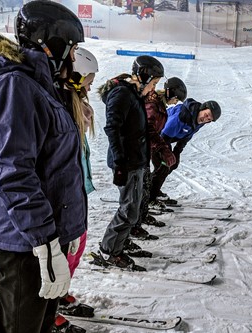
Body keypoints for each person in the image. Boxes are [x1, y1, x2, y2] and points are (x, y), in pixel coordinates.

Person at [0, 1, 87, 333]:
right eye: (72, 48)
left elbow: (59, 167)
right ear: (52, 43)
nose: (73, 58)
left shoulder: (44, 87)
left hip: (47, 239)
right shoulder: (15, 86)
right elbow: (14, 174)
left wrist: (68, 229)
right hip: (26, 246)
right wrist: (44, 241)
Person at [93, 55, 164, 271]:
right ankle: (108, 251)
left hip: (137, 161)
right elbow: (112, 128)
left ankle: (119, 244)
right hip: (127, 162)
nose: (154, 88)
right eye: (153, 82)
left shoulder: (133, 94)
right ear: (144, 76)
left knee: (133, 207)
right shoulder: (122, 94)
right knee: (129, 210)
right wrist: (120, 162)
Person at [53, 47, 99, 331]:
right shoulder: (61, 105)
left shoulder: (77, 103)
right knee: (59, 252)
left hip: (77, 189)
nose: (91, 84)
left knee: (77, 246)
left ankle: (58, 292)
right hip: (62, 193)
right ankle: (45, 306)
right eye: (89, 78)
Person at [123, 77, 188, 258]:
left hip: (143, 151)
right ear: (170, 93)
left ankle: (140, 219)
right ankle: (132, 227)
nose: (175, 103)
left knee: (144, 189)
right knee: (136, 193)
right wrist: (163, 149)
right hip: (138, 152)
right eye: (176, 99)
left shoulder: (158, 104)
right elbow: (149, 131)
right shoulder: (153, 105)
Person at [149, 99, 221, 206]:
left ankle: (151, 190)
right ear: (203, 108)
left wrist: (177, 152)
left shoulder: (198, 121)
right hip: (154, 137)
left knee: (170, 165)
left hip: (162, 139)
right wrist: (168, 154)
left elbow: (186, 137)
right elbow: (164, 135)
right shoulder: (183, 116)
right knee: (163, 167)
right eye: (206, 115)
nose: (205, 119)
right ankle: (149, 198)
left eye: (209, 119)